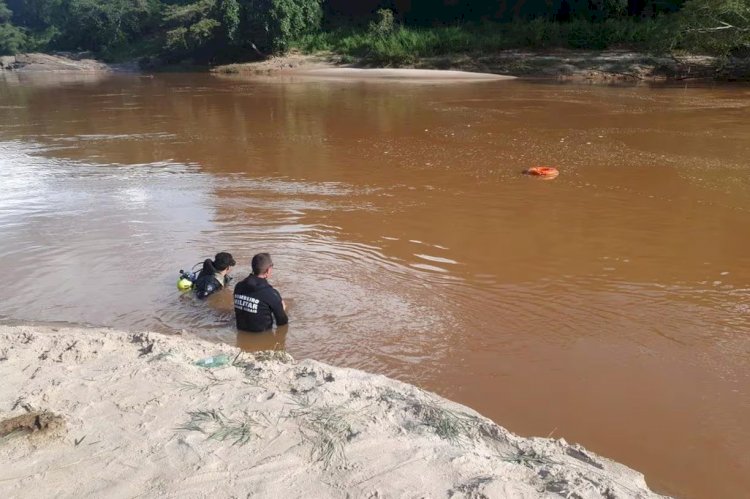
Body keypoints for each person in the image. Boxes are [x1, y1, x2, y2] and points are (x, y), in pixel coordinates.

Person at [234, 252, 288, 332]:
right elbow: (282, 322)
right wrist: (281, 308)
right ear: (268, 270)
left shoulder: (238, 286)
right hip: (262, 336)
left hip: (241, 331)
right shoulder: (271, 293)